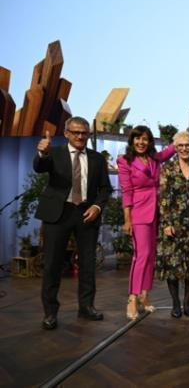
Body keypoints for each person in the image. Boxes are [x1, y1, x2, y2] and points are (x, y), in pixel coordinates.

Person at [34, 117, 112, 330]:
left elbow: (105, 188)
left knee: (88, 264)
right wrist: (42, 152)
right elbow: (40, 167)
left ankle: (86, 307)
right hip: (58, 214)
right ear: (66, 133)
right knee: (52, 264)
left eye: (84, 133)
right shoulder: (54, 152)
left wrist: (97, 207)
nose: (80, 136)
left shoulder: (97, 158)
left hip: (86, 213)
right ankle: (50, 312)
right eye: (75, 132)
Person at [117, 126, 175, 320]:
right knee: (141, 256)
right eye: (137, 139)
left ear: (150, 142)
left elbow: (172, 148)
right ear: (132, 140)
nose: (141, 143)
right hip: (138, 213)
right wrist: (127, 219)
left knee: (150, 255)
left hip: (155, 213)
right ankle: (132, 298)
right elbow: (126, 191)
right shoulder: (125, 161)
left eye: (145, 139)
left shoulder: (154, 159)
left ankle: (144, 295)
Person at [156, 131, 189, 318]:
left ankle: (187, 303)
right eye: (180, 145)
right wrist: (166, 223)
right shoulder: (168, 169)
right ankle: (176, 304)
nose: (184, 148)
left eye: (188, 145)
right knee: (172, 266)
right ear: (175, 147)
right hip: (173, 226)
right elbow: (163, 198)